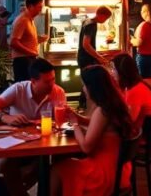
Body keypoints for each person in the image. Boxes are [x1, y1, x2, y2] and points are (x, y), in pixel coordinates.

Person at [0, 58, 67, 196]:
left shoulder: (58, 92)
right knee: (6, 165)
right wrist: (6, 117)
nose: (52, 85)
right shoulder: (18, 89)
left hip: (44, 146)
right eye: (47, 81)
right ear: (33, 81)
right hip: (18, 145)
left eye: (53, 79)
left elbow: (61, 122)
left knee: (53, 164)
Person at [50, 65, 135, 196]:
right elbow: (97, 124)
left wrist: (75, 124)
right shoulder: (114, 104)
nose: (83, 89)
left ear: (92, 87)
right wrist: (77, 117)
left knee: (58, 169)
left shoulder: (102, 111)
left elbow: (86, 147)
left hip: (104, 175)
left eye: (84, 85)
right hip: (120, 170)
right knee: (65, 164)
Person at [112, 53, 151, 131]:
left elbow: (128, 121)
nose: (112, 72)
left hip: (139, 136)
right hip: (138, 129)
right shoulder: (133, 85)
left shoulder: (135, 91)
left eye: (114, 69)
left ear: (122, 72)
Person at [10, 0, 47, 82]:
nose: (40, 10)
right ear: (30, 6)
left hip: (29, 59)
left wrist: (39, 39)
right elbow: (14, 42)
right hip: (23, 61)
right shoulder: (23, 20)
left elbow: (26, 40)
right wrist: (31, 52)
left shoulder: (30, 20)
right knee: (24, 87)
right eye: (39, 7)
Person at [130, 2, 151, 78]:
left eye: (143, 11)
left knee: (144, 80)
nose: (141, 13)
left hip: (144, 58)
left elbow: (139, 42)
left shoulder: (145, 25)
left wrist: (130, 40)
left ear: (148, 12)